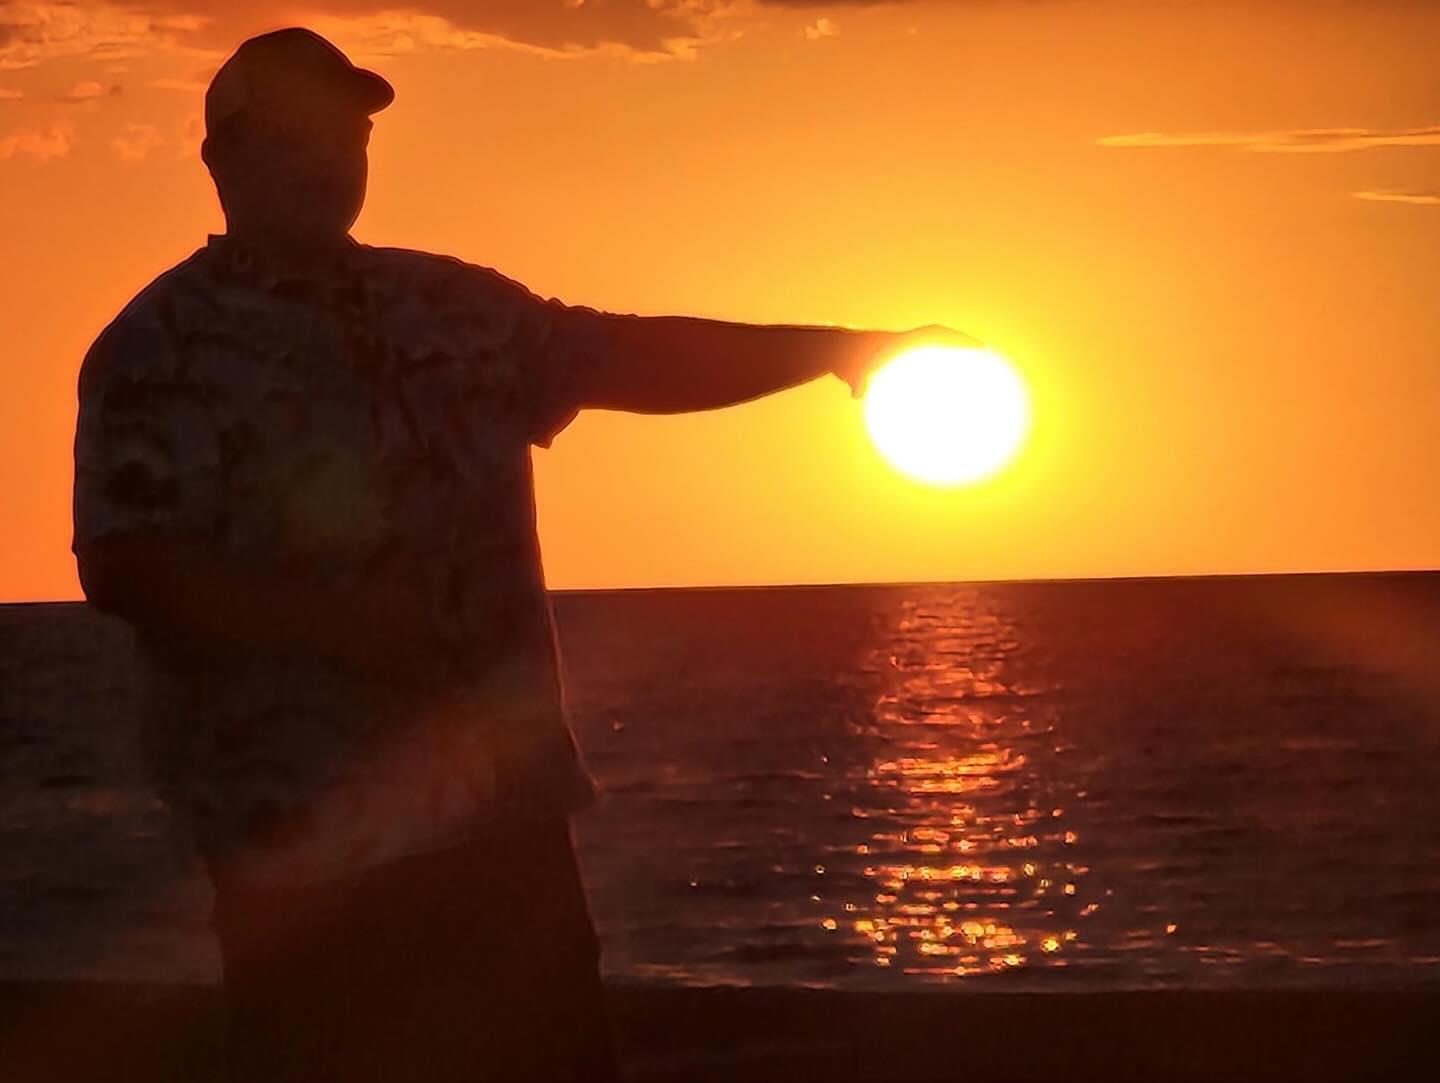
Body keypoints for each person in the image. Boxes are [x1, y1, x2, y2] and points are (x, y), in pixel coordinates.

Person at [70, 26, 966, 1083]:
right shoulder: (157, 346)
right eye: (296, 137)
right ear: (225, 157)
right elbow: (125, 565)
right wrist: (332, 625)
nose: (329, 161)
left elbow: (627, 353)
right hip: (302, 862)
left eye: (349, 136)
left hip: (503, 837)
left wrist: (834, 351)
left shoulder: (450, 306)